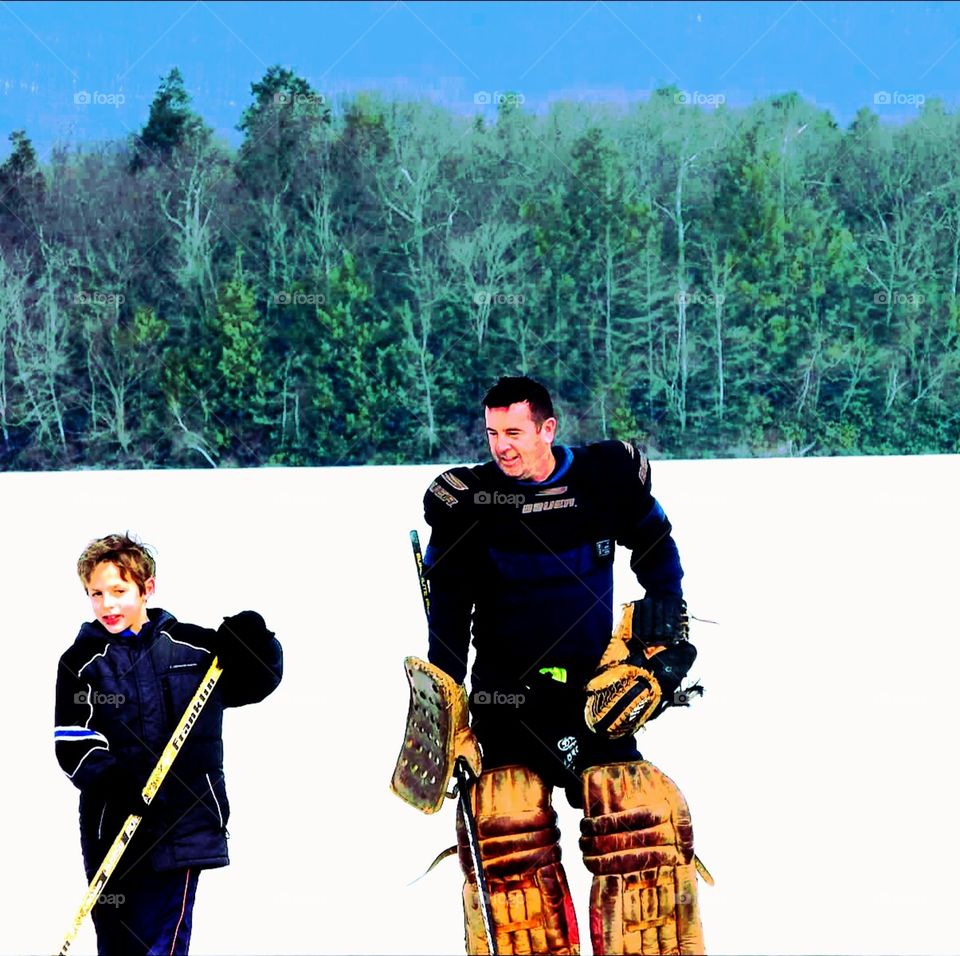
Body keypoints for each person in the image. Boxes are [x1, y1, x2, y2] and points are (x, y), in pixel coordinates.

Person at [421, 376, 705, 955]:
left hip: (591, 698)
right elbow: (447, 616)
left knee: (637, 818)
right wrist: (446, 707)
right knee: (507, 829)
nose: (502, 446)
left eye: (515, 432)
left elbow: (656, 547)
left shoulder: (602, 481)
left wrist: (664, 630)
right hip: (507, 705)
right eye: (493, 433)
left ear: (547, 429)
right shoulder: (470, 504)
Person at [54, 533, 282, 956]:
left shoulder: (195, 649)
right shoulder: (81, 662)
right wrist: (117, 784)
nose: (108, 605)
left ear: (148, 588)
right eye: (96, 594)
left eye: (119, 591)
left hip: (183, 825)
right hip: (114, 829)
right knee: (120, 943)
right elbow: (74, 744)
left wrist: (257, 642)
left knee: (166, 941)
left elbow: (258, 680)